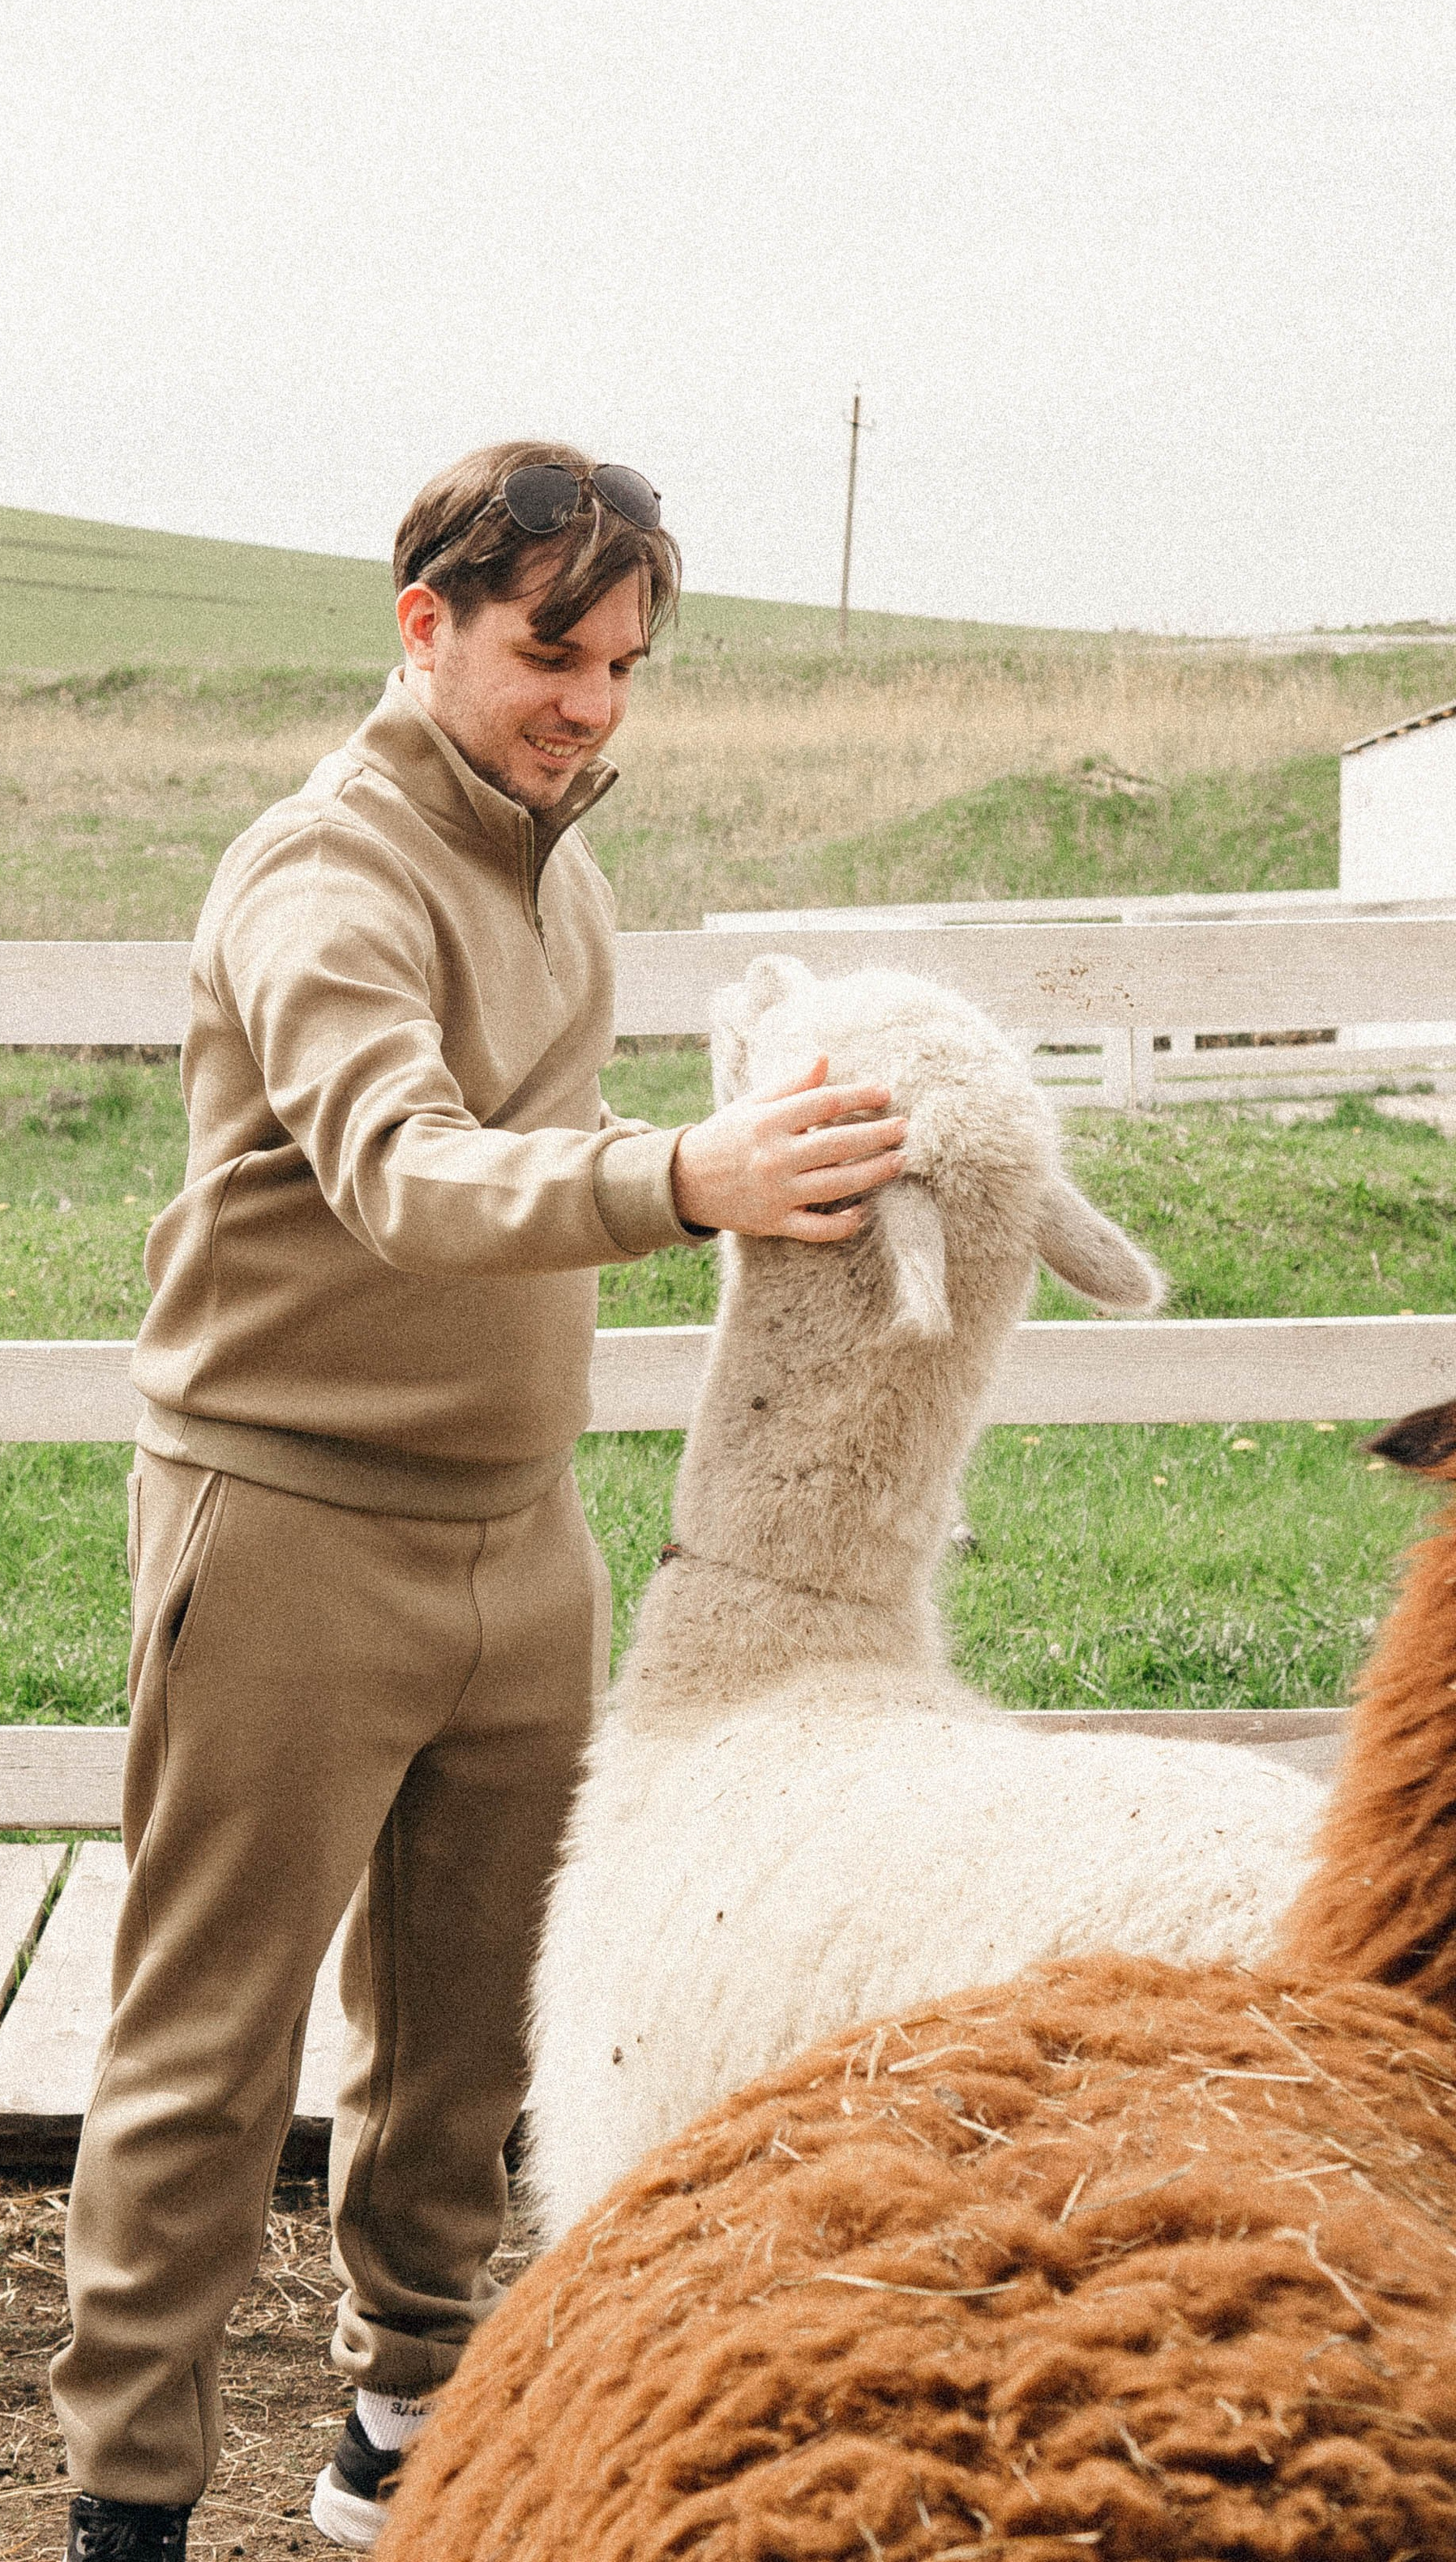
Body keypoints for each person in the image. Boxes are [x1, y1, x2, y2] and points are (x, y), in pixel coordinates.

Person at [53, 440, 908, 2561]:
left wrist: (719, 1147)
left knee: (468, 2049)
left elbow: (538, 1131)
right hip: (292, 1536)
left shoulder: (563, 867)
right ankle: (127, 2510)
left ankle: (405, 2442)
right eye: (554, 649)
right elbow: (408, 1173)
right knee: (211, 2054)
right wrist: (682, 1182)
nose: (593, 701)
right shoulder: (320, 881)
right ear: (424, 619)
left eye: (625, 662)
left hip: (524, 1541)